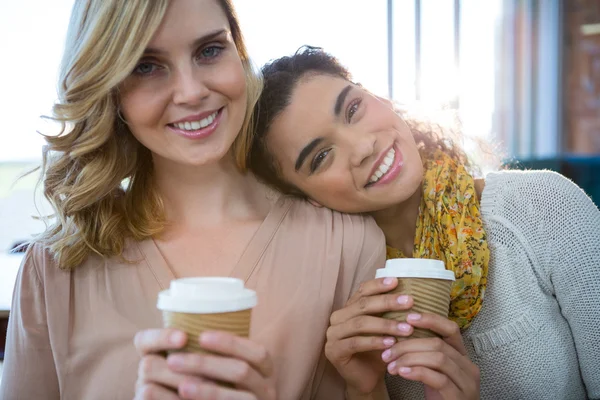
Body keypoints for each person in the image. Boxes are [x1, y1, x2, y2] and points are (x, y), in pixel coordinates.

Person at [2, 2, 400, 399]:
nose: (191, 93)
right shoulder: (55, 270)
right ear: (109, 86)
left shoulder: (348, 245)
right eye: (146, 66)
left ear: (239, 53)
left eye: (209, 50)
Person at [247, 46, 600, 399]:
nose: (363, 147)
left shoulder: (542, 206)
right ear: (306, 197)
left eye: (353, 109)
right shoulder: (341, 305)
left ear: (377, 97)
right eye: (321, 157)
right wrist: (365, 390)